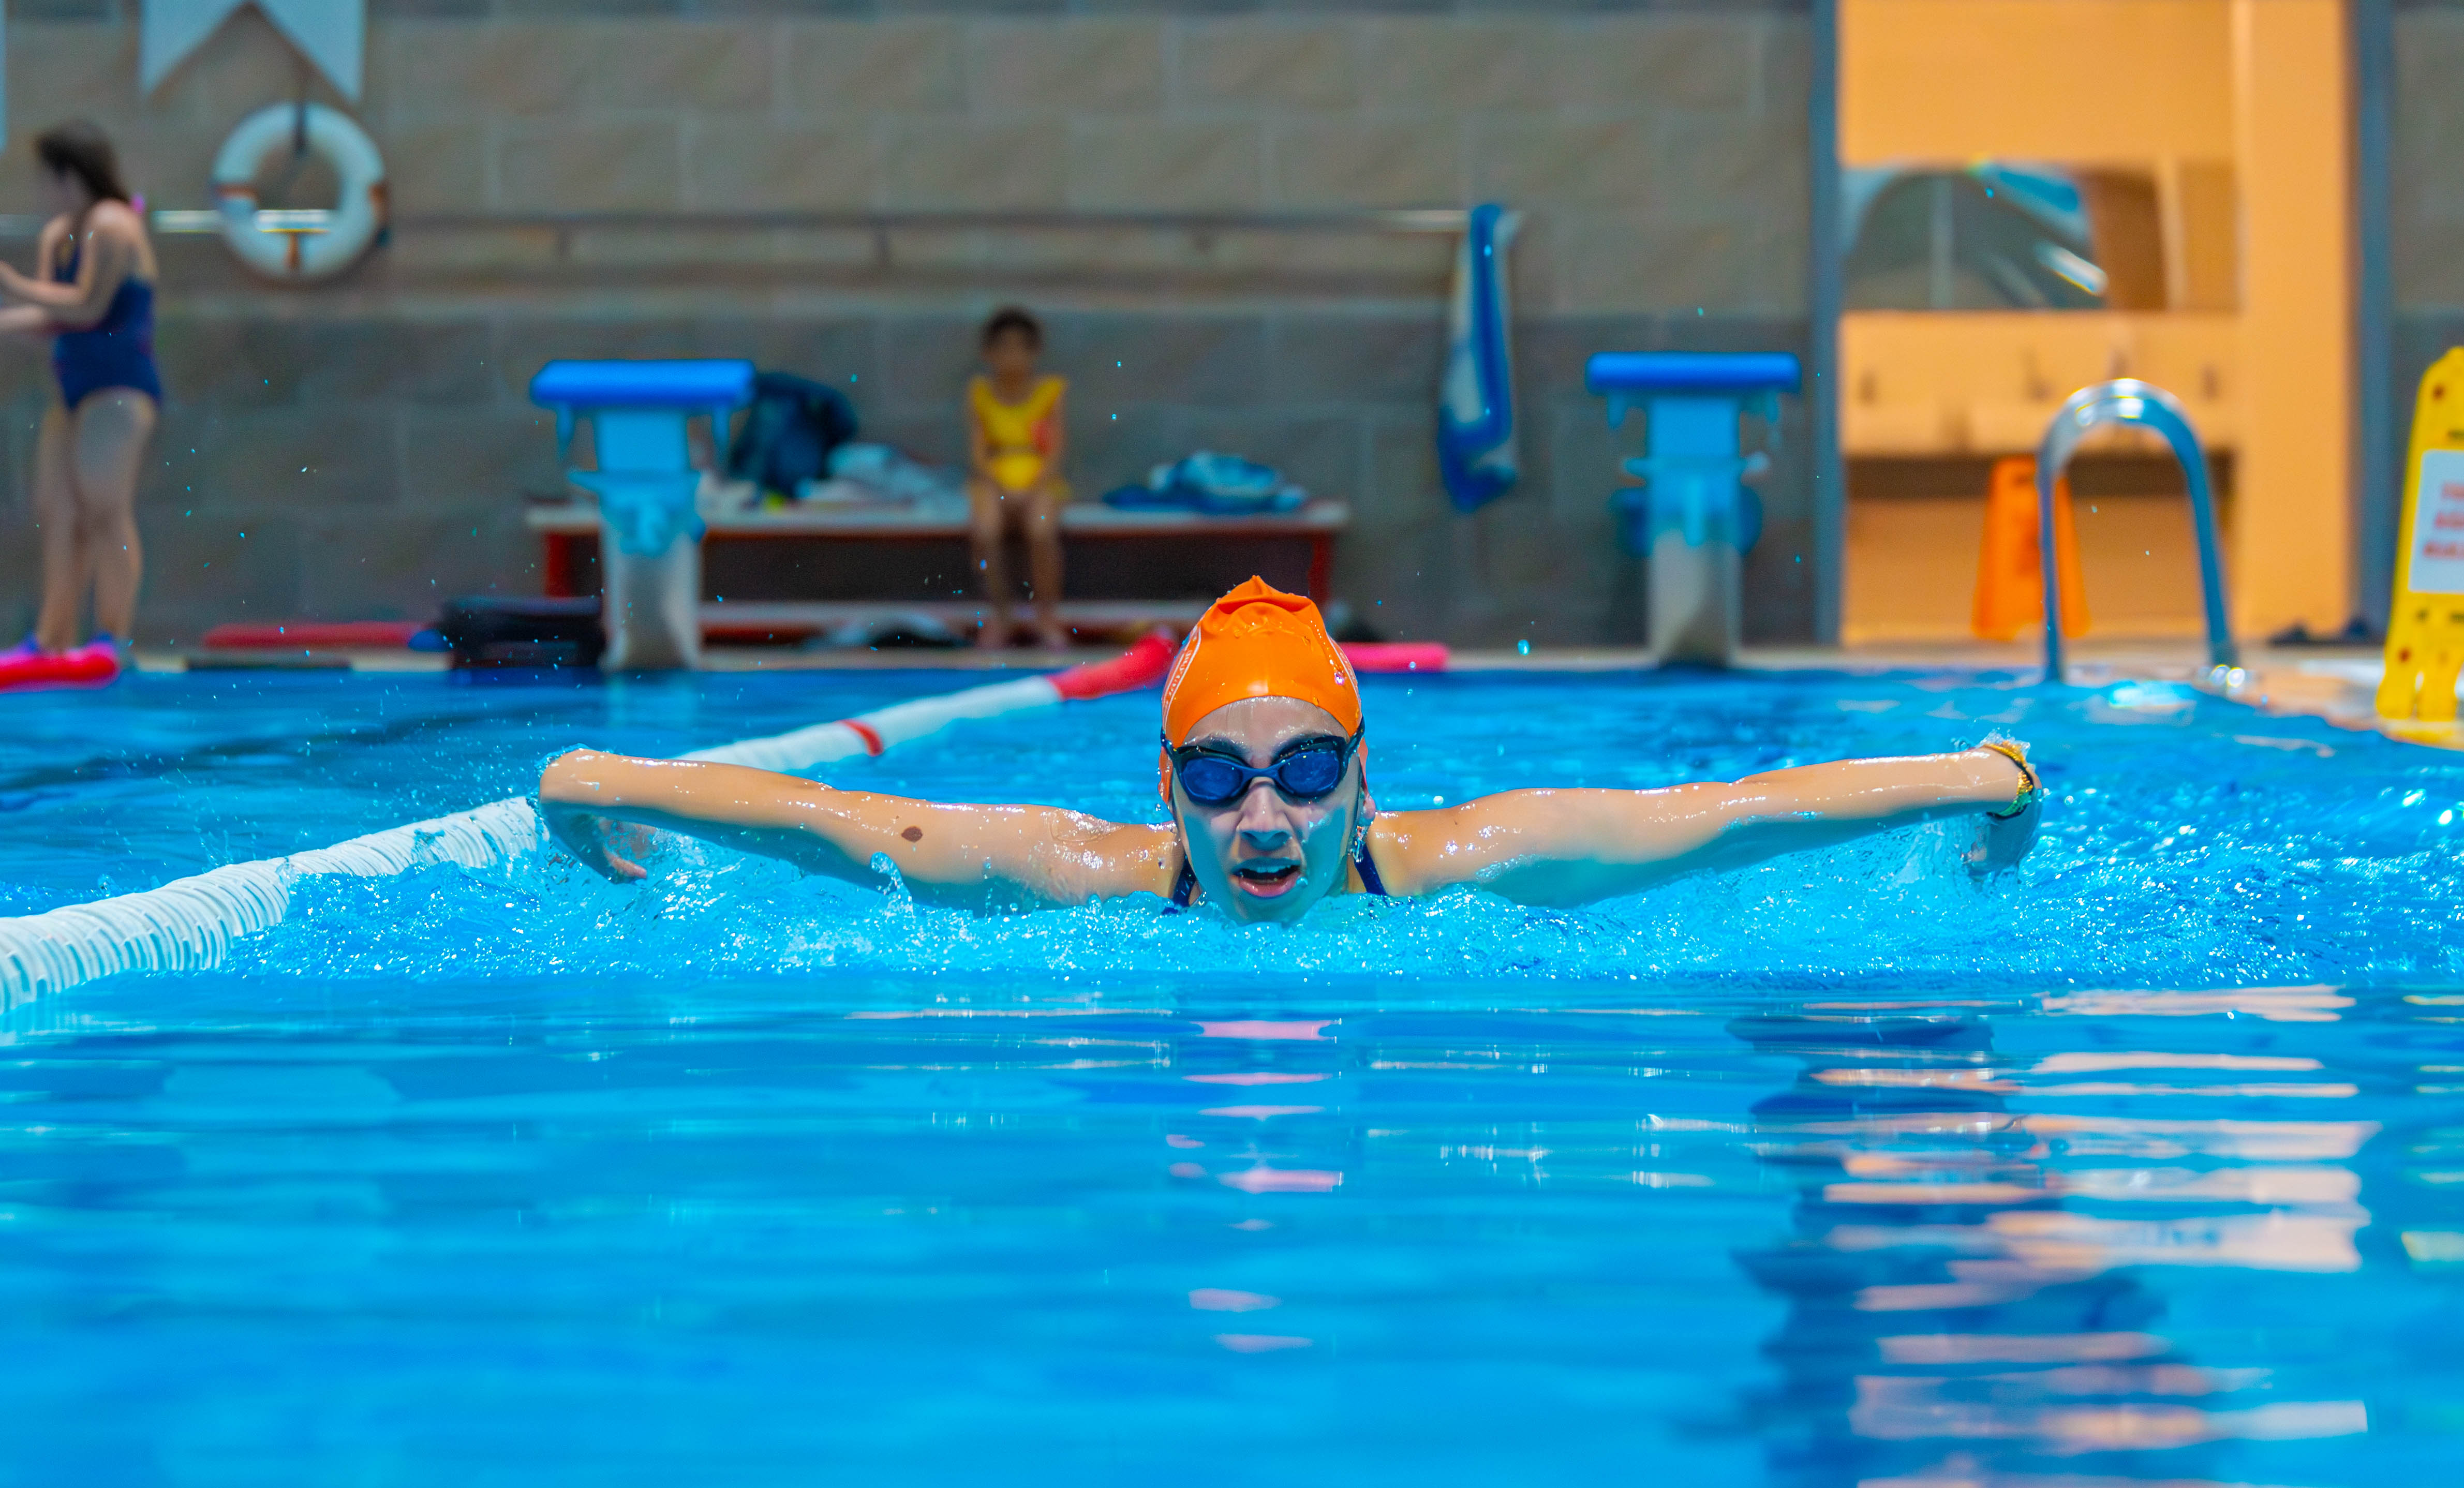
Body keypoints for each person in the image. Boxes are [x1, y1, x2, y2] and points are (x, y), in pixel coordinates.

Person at [539, 578, 2042, 920]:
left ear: (1366, 781)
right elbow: (837, 819)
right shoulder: (1084, 873)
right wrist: (595, 780)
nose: (1265, 815)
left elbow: (1727, 813)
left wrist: (1982, 777)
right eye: (1218, 776)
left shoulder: (1475, 858)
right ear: (1165, 789)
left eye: (1309, 771)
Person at [0, 122, 160, 685]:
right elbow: (54, 317)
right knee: (59, 512)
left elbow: (89, 306)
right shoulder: (59, 235)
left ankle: (114, 637)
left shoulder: (114, 224)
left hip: (119, 388)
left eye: (46, 179)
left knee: (104, 507)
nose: (41, 191)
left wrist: (12, 283)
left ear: (70, 176)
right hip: (72, 389)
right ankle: (52, 639)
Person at [965, 306, 1067, 651]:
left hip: (1039, 479)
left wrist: (1032, 488)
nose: (1012, 357)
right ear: (989, 353)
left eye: (1020, 348)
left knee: (1041, 529)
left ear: (1034, 352)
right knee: (987, 531)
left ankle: (1046, 615)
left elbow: (1054, 450)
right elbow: (979, 452)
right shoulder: (980, 392)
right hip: (994, 479)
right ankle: (1001, 614)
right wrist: (999, 487)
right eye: (1004, 348)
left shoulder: (1050, 391)